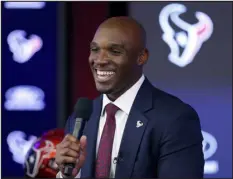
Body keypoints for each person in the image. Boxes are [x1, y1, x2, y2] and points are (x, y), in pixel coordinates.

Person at [55, 16, 204, 178]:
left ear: (142, 57)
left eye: (115, 51)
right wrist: (68, 176)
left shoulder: (175, 118)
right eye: (95, 49)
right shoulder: (80, 119)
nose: (100, 60)